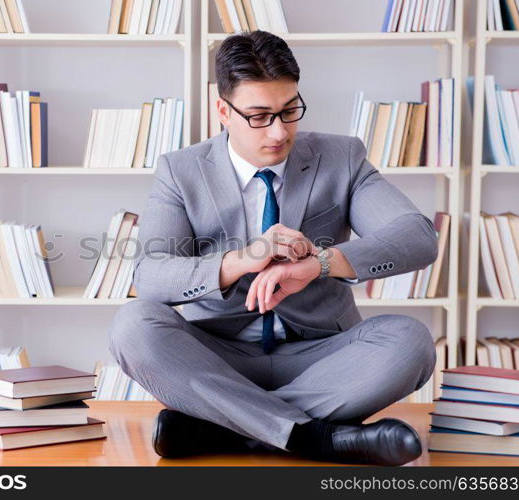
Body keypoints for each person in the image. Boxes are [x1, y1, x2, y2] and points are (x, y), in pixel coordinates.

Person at [108, 30, 438, 466]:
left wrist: (321, 263)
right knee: (133, 325)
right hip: (219, 358)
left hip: (323, 359)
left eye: (289, 110)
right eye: (260, 116)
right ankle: (313, 438)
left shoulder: (341, 157)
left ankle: (224, 428)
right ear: (223, 111)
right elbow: (148, 276)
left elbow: (418, 236)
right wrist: (240, 260)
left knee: (411, 340)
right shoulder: (181, 171)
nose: (280, 132)